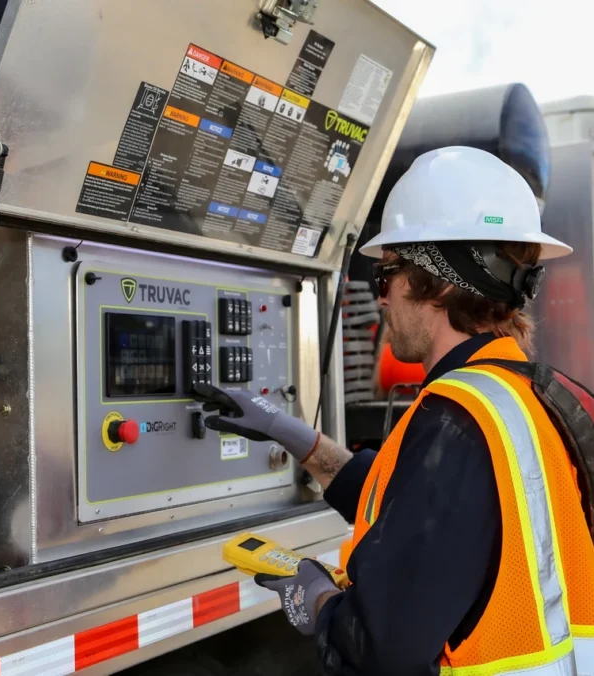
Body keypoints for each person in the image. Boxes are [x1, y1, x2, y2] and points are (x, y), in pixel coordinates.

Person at [193, 146, 594, 675]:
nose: (379, 298)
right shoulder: (551, 396)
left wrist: (318, 600)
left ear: (440, 281)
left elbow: (384, 649)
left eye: (385, 276)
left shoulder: (457, 422)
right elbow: (419, 510)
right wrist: (295, 437)